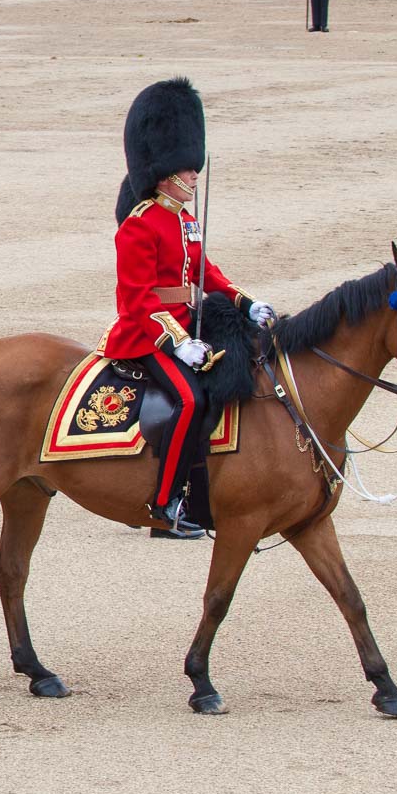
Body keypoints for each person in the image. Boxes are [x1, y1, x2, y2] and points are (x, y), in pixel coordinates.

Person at [102, 79, 272, 538]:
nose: (194, 175)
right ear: (165, 171)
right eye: (187, 169)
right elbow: (136, 300)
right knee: (190, 398)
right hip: (145, 335)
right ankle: (165, 505)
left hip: (188, 324)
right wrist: (178, 344)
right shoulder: (139, 225)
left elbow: (206, 274)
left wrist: (246, 302)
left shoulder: (185, 220)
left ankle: (205, 491)